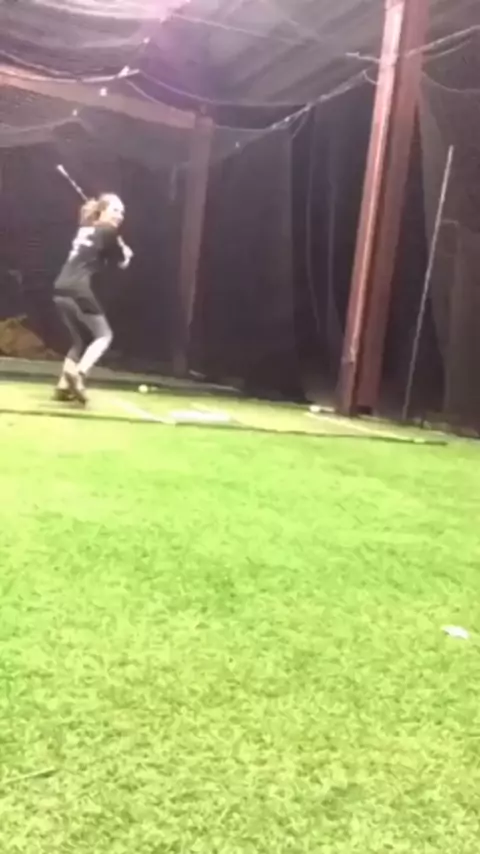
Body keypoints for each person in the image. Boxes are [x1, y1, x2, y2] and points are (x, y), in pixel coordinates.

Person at [53, 193, 133, 404]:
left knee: (80, 340)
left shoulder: (86, 229)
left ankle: (63, 385)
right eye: (115, 210)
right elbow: (121, 263)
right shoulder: (108, 232)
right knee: (104, 335)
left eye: (122, 212)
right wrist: (126, 253)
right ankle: (79, 375)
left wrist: (117, 244)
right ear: (102, 211)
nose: (120, 215)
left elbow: (100, 252)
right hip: (78, 290)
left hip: (60, 288)